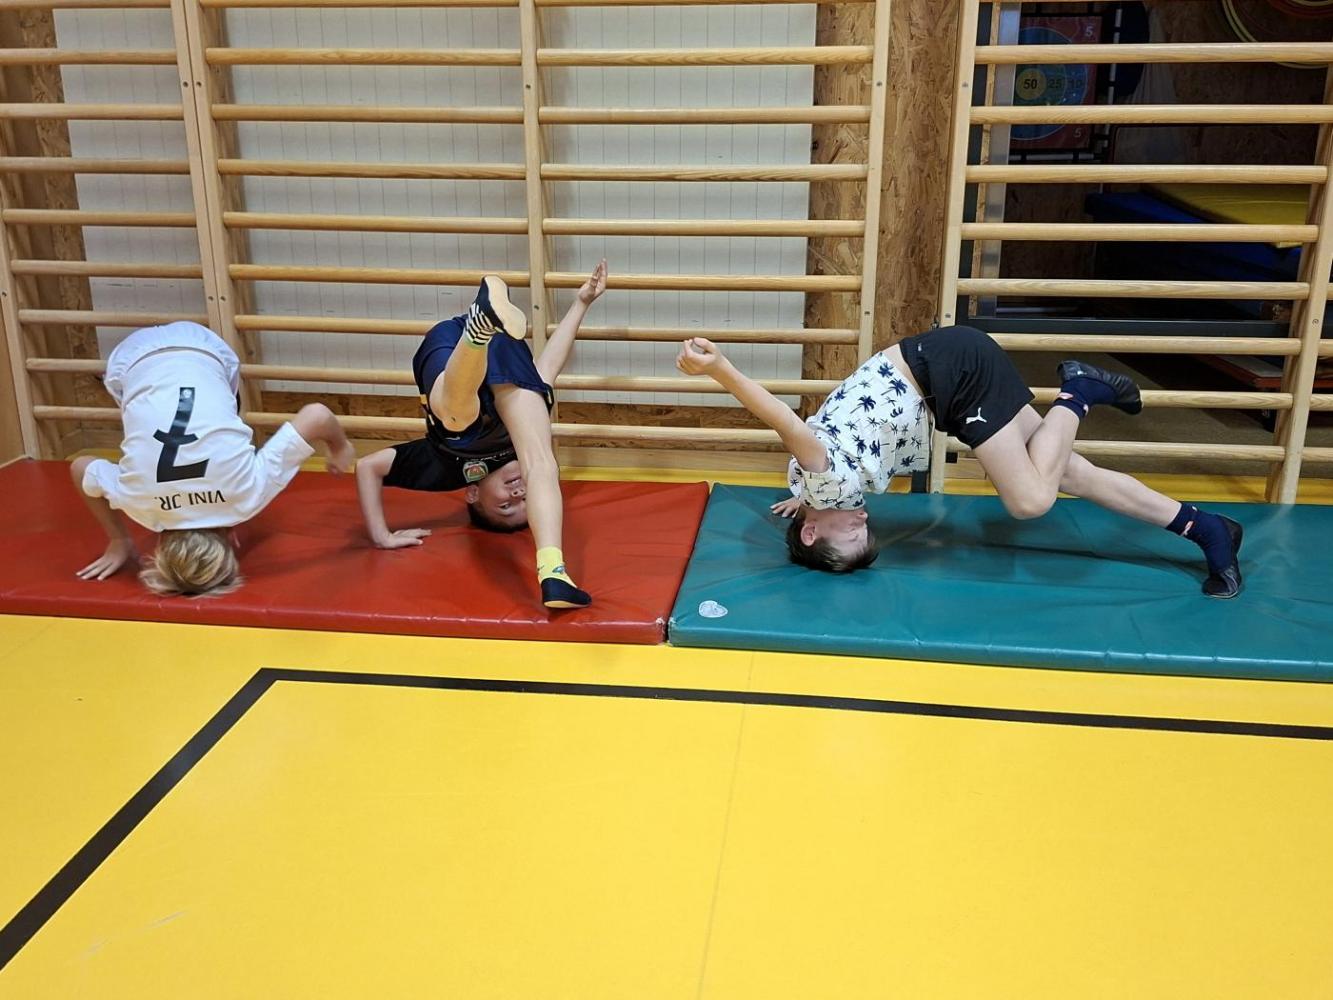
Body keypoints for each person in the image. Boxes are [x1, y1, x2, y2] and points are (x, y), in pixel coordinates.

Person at [676, 325, 1243, 598]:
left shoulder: (826, 487)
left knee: (1030, 500)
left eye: (850, 533)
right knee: (1067, 471)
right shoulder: (817, 492)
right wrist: (802, 501)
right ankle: (1208, 530)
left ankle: (1080, 390)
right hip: (943, 372)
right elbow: (820, 483)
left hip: (947, 374)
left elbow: (784, 420)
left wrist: (721, 370)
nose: (863, 522)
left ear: (810, 532)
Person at [356, 262, 608, 609]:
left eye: (506, 505)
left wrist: (381, 536)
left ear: (473, 493)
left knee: (456, 422)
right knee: (541, 461)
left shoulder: (445, 472)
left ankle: (477, 331)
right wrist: (582, 303)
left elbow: (367, 467)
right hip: (505, 349)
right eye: (525, 502)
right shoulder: (519, 448)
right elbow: (549, 367)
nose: (518, 494)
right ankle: (553, 571)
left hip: (451, 354)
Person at [72, 321, 355, 596]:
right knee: (146, 411)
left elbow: (317, 415)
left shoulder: (246, 498)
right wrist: (119, 538)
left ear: (231, 540)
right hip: (137, 357)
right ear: (160, 545)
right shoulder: (138, 505)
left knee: (216, 409)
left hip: (203, 350)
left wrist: (340, 448)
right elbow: (80, 467)